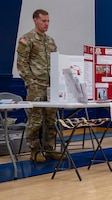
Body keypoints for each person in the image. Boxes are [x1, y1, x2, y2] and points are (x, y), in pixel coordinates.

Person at [17, 9, 61, 162]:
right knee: (35, 120)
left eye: (48, 21)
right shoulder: (26, 39)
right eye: (43, 21)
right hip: (36, 85)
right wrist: (30, 82)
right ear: (35, 20)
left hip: (51, 87)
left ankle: (49, 149)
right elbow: (21, 64)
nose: (46, 24)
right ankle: (34, 150)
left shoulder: (50, 41)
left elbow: (56, 63)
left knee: (50, 119)